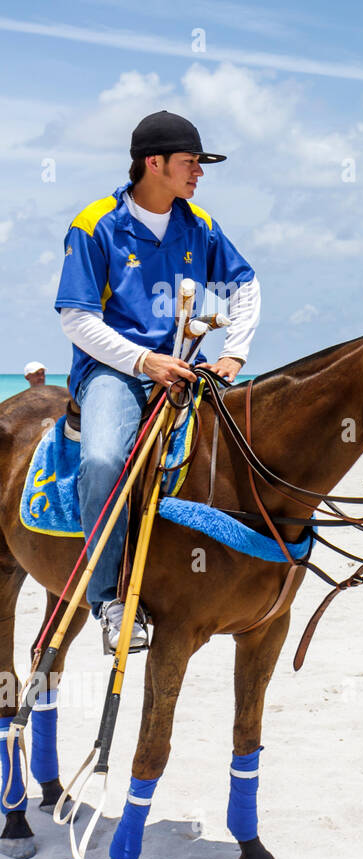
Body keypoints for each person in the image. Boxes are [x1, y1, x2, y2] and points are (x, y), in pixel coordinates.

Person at [55, 110, 260, 653]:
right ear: (155, 163)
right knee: (102, 461)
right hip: (114, 370)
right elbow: (76, 319)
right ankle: (110, 599)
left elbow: (245, 284)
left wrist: (234, 353)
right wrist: (144, 362)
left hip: (188, 369)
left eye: (199, 163)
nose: (199, 173)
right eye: (190, 162)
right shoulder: (94, 223)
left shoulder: (201, 224)